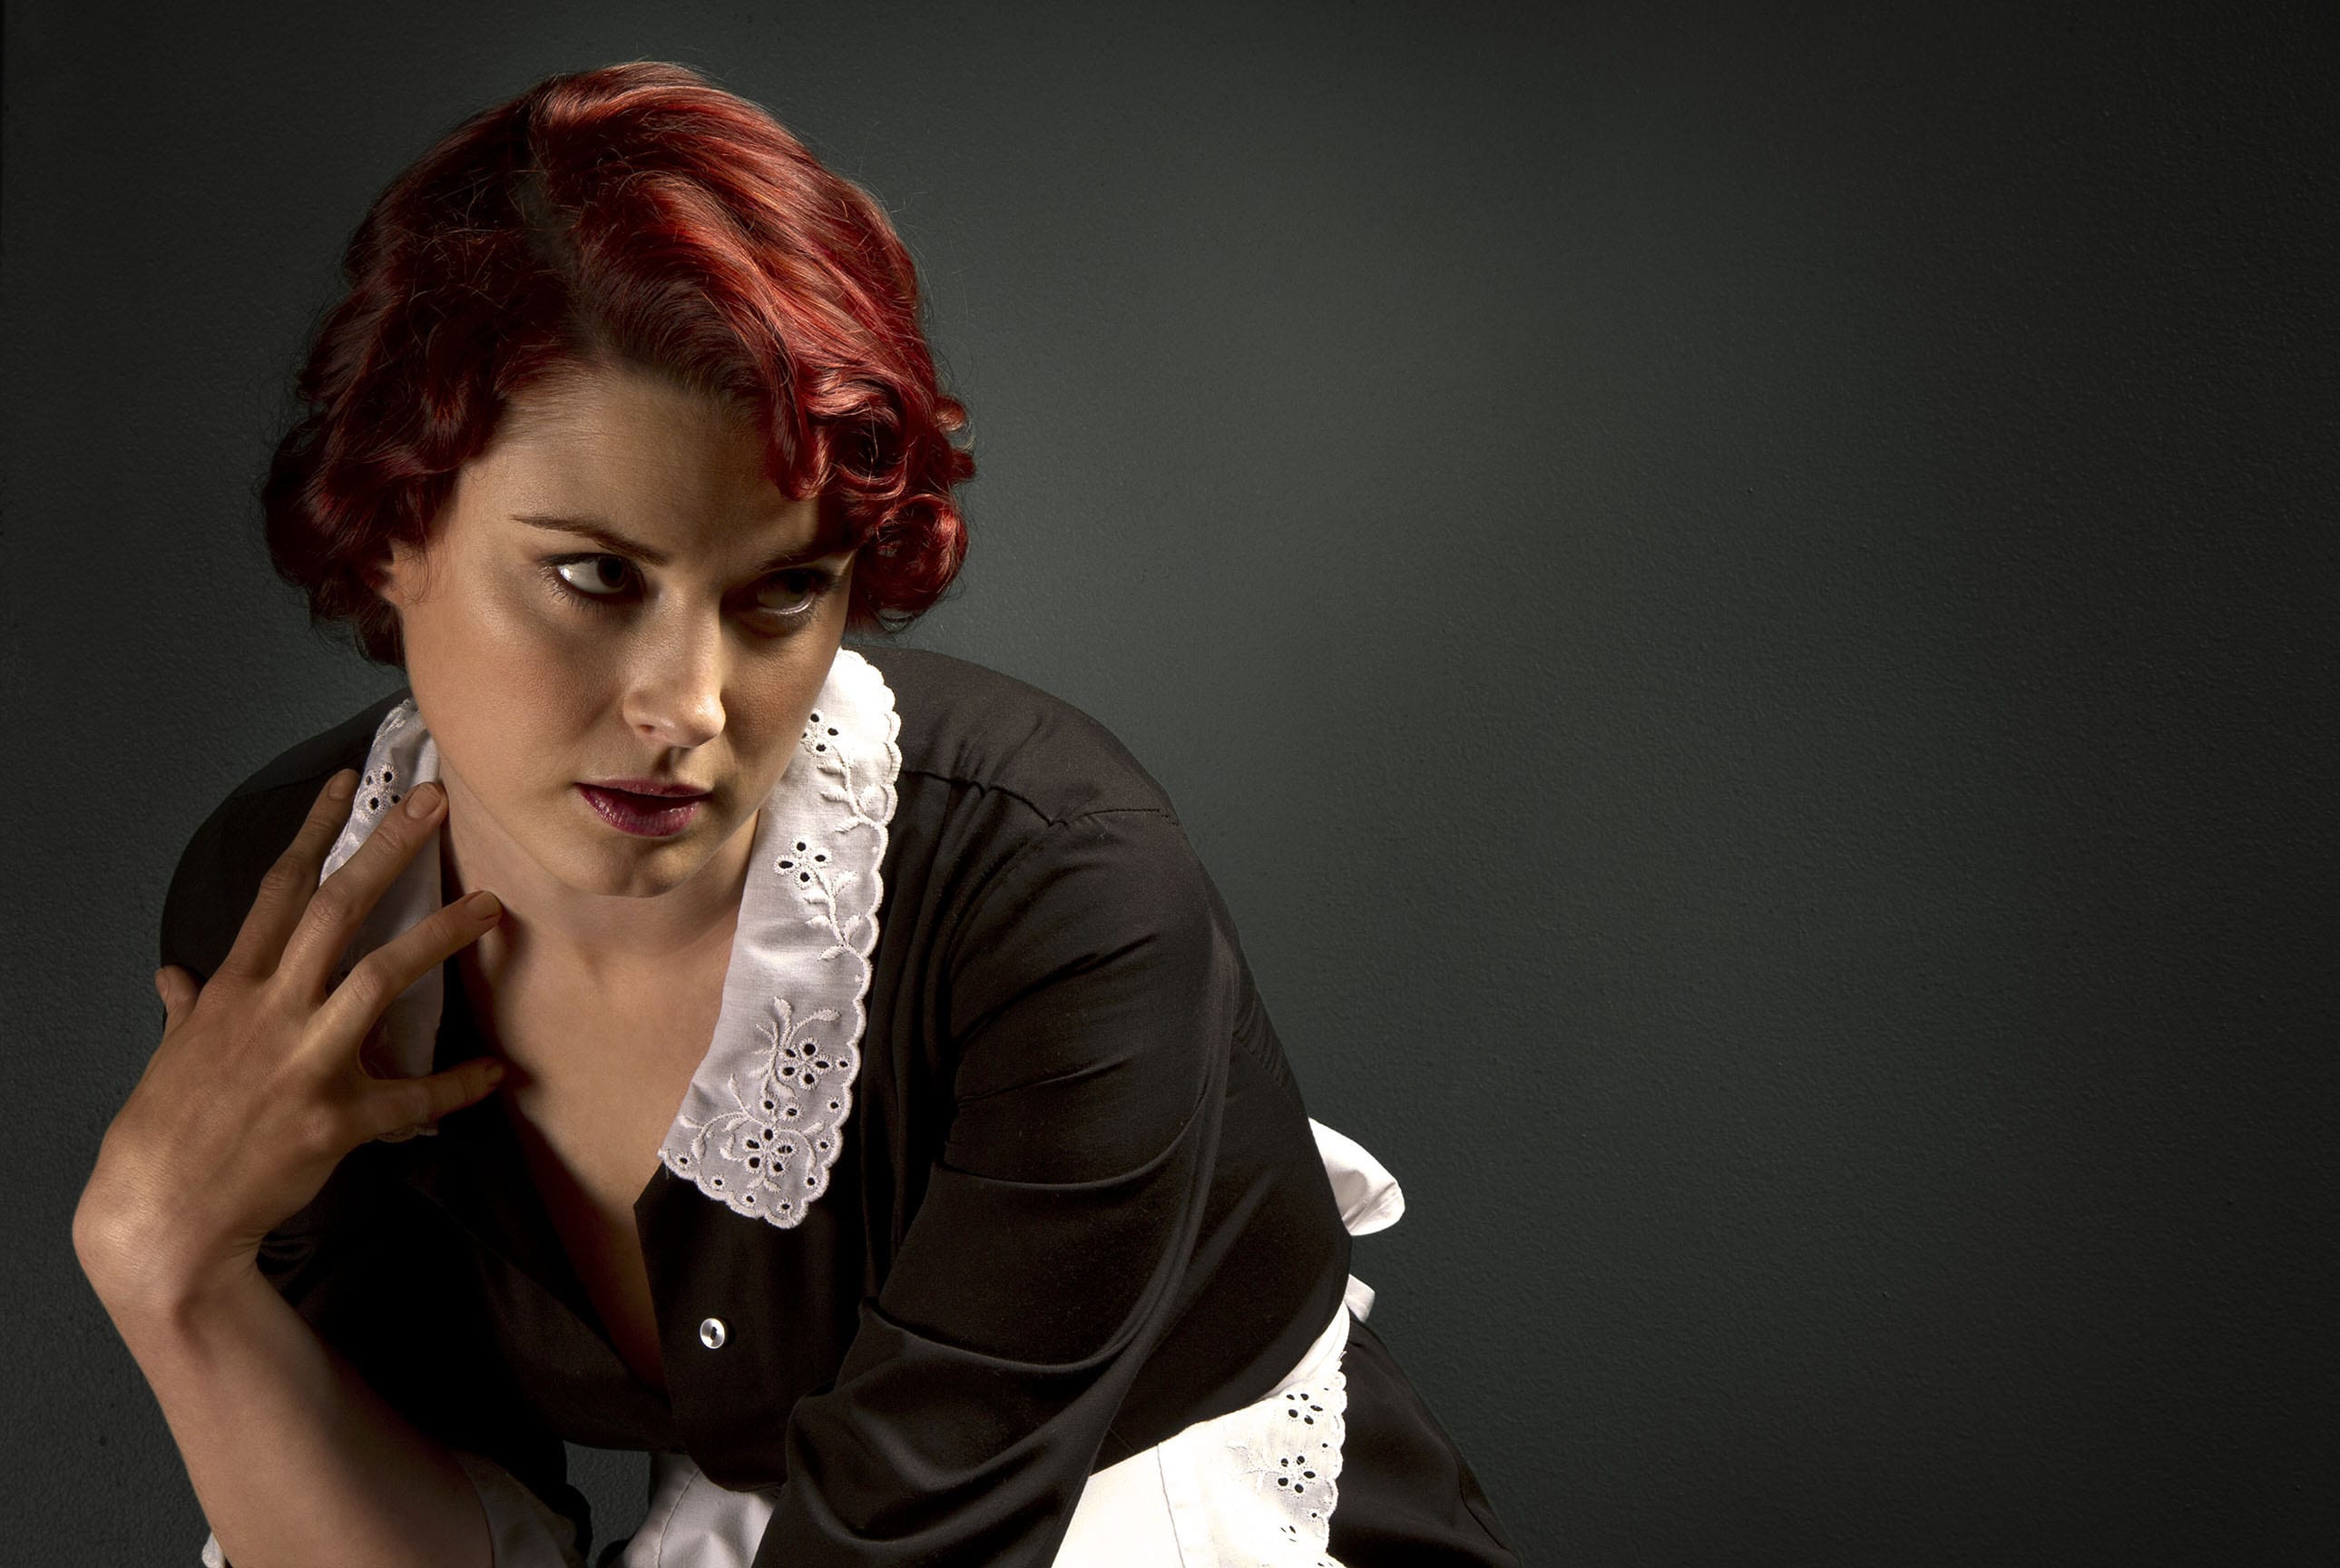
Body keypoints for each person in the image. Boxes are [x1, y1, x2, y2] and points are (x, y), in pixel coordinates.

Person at [71, 61, 1520, 1568]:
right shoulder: (289, 922)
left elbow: (917, 1538)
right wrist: (163, 1268)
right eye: (595, 576)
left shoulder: (1056, 898)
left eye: (781, 591)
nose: (688, 705)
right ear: (390, 528)